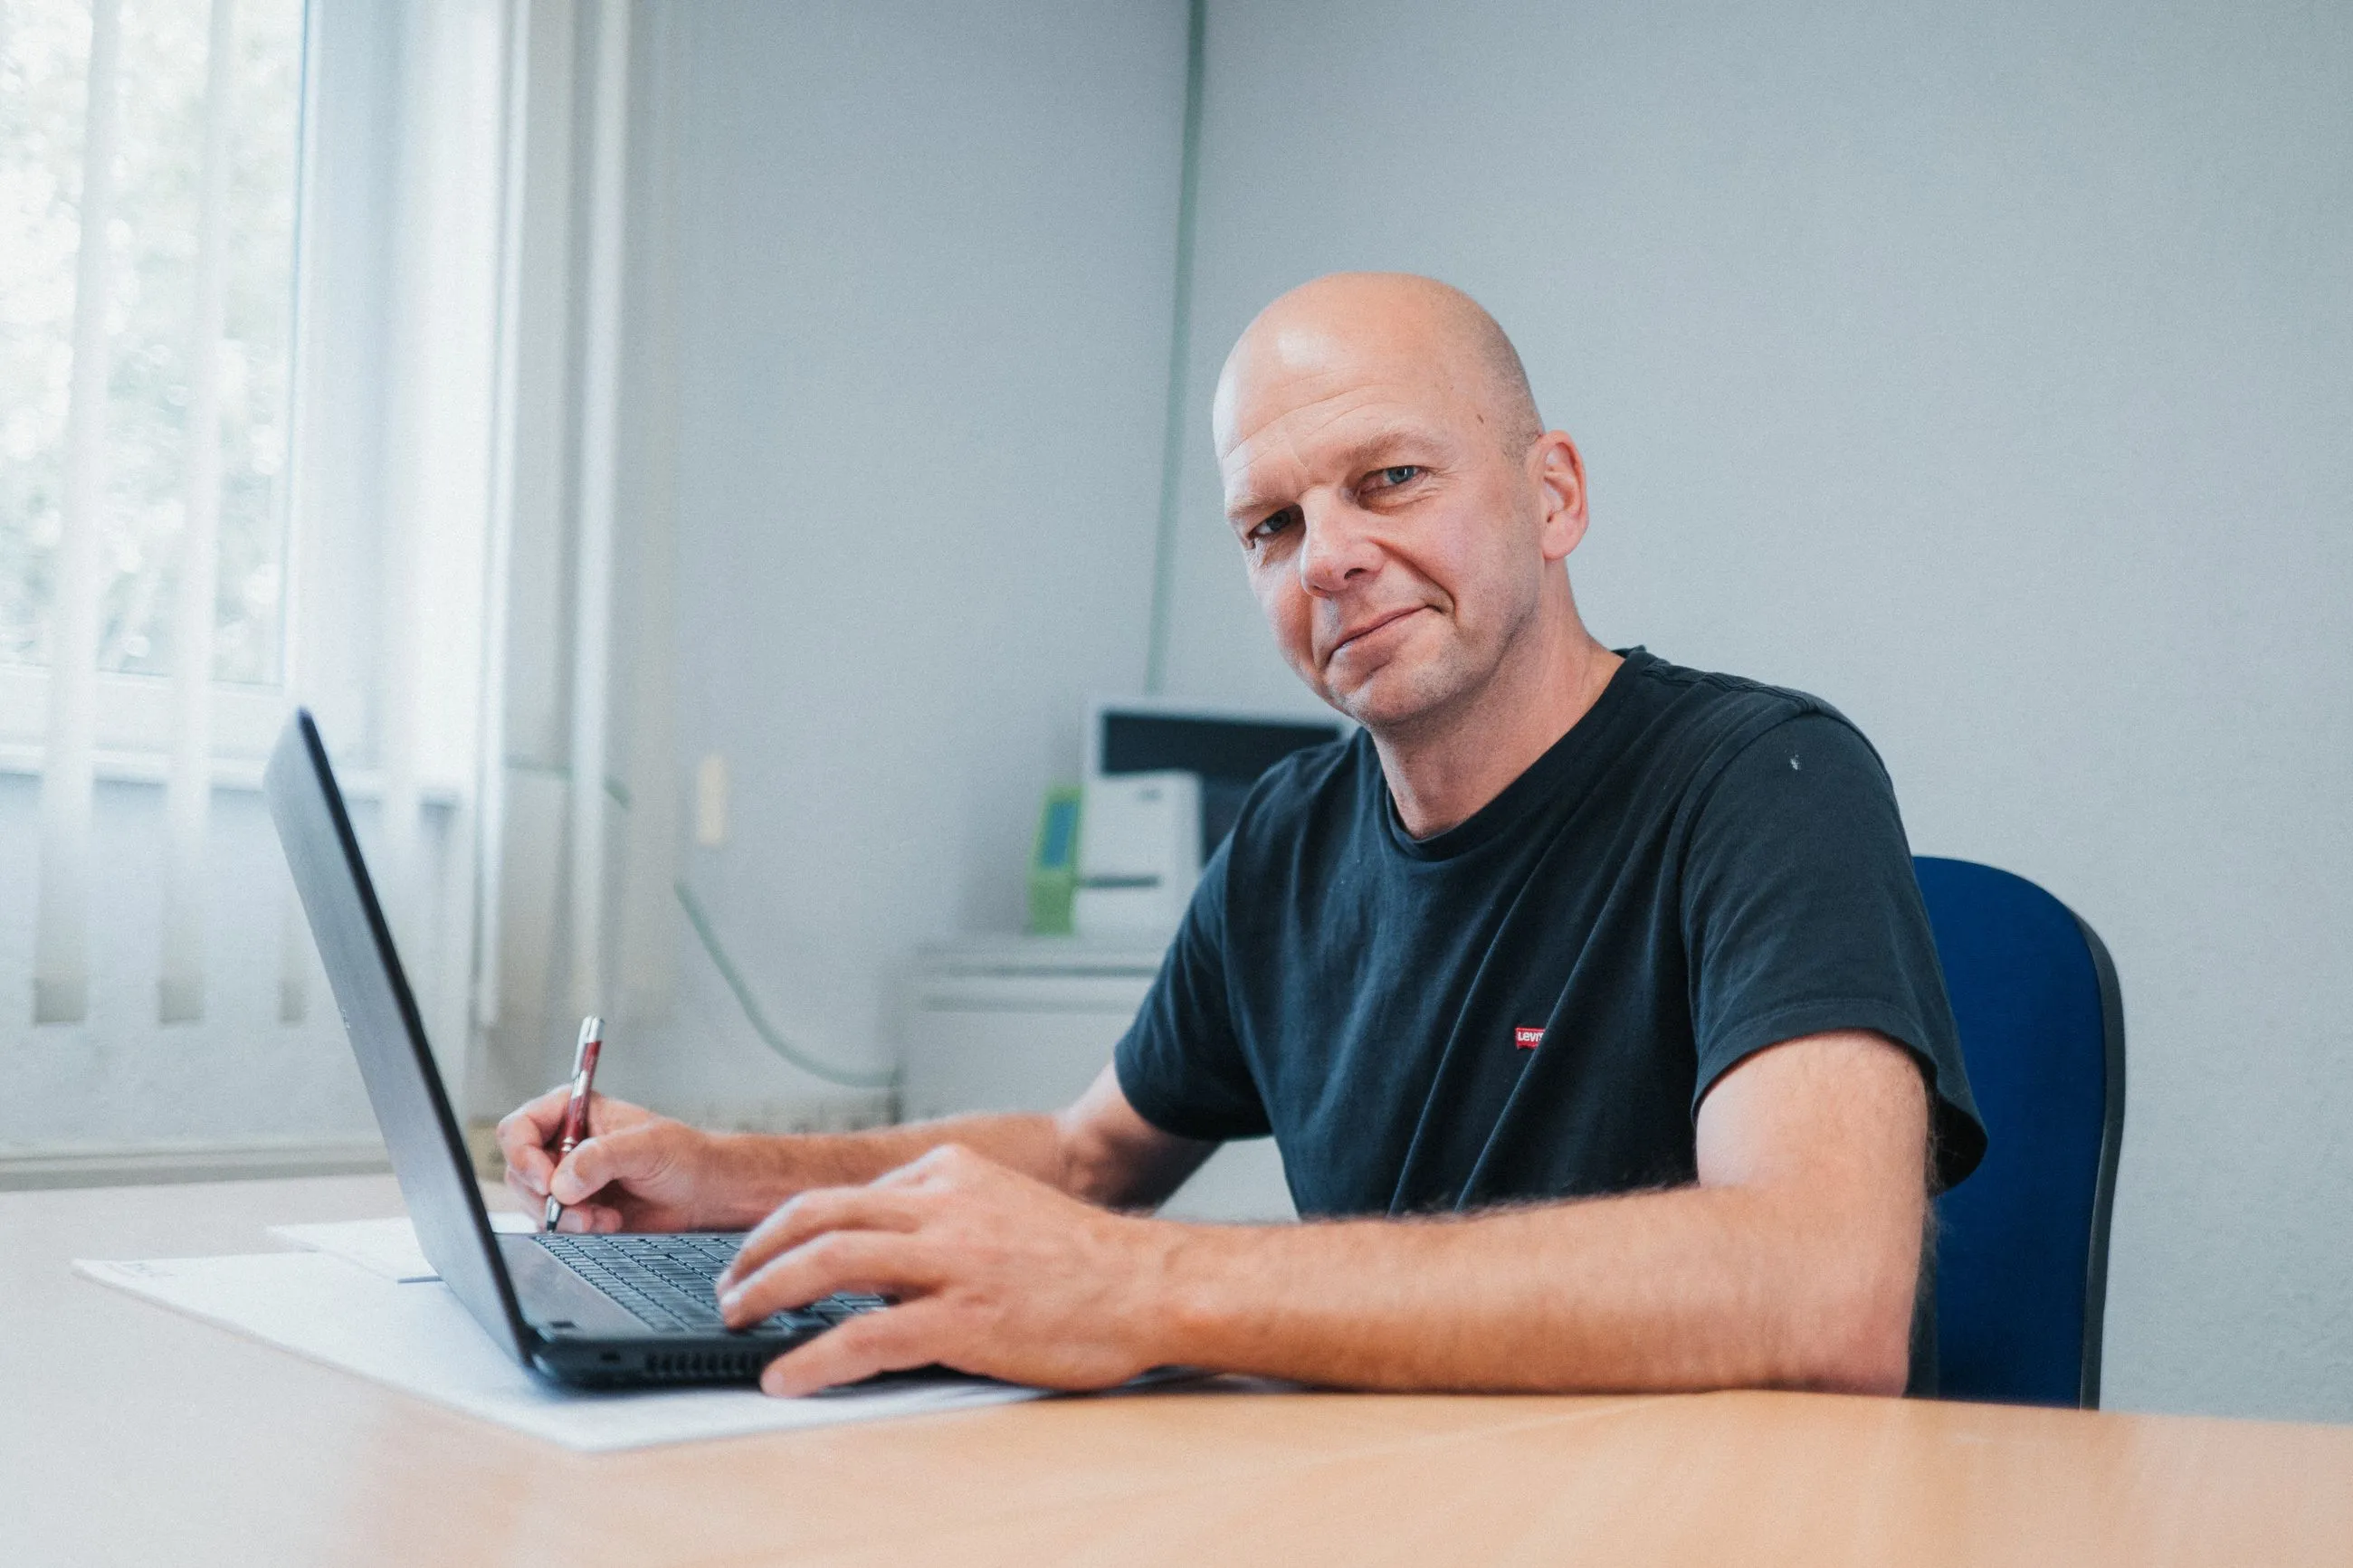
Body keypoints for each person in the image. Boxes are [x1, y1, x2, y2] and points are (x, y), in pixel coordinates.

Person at [500, 271, 1984, 1400]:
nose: (1328, 554)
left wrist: (1150, 1287)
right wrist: (728, 1171)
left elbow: (1820, 1289)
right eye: (1270, 524)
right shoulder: (1287, 838)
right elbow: (1086, 1163)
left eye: (1390, 478)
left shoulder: (1767, 779)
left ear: (1553, 497)